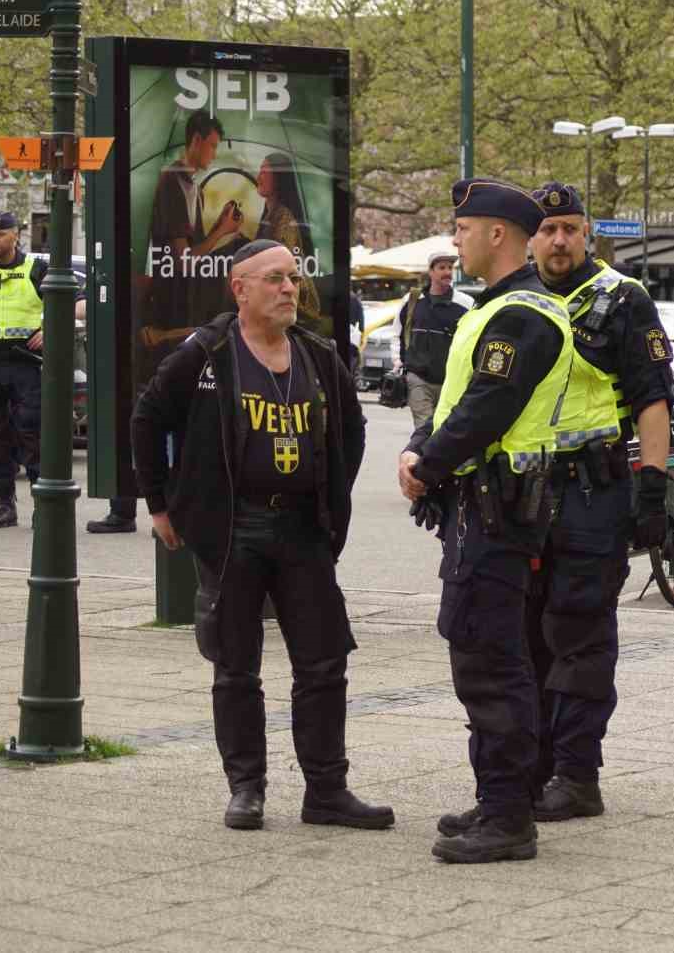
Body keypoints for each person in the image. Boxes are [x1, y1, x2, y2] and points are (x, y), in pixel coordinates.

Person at [131, 239, 391, 833]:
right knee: (236, 667)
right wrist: (161, 505)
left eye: (294, 278)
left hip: (302, 532)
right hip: (234, 531)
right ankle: (246, 789)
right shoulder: (207, 352)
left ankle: (327, 790)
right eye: (274, 279)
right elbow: (147, 419)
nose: (288, 290)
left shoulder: (318, 355)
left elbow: (350, 431)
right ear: (240, 289)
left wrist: (331, 502)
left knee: (324, 664)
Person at [397, 178, 573, 865]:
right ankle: (497, 797)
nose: (455, 240)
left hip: (496, 512)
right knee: (482, 653)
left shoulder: (521, 316)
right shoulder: (498, 308)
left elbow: (486, 409)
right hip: (484, 509)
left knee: (491, 663)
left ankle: (507, 815)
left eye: (463, 228)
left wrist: (425, 462)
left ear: (497, 233)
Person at [510, 181, 674, 824]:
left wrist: (653, 489)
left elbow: (652, 398)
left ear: (587, 235)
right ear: (531, 238)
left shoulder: (622, 298)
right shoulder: (513, 298)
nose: (559, 240)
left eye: (570, 229)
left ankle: (578, 775)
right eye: (549, 230)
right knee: (526, 636)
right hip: (520, 495)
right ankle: (535, 764)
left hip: (592, 491)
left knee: (579, 634)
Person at [142, 112, 244, 379]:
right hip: (174, 295)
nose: (213, 154)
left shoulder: (193, 187)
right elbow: (184, 259)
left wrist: (219, 229)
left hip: (188, 290)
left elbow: (195, 249)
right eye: (212, 146)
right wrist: (221, 231)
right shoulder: (173, 182)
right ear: (196, 140)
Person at [0, 210, 44, 528]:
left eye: (0, 234)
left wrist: (50, 326)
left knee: (32, 434)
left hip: (25, 364)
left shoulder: (36, 267)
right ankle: (5, 505)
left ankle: (43, 503)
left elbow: (76, 299)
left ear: (16, 234)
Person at [74, 291, 139, 533]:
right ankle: (122, 512)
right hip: (117, 367)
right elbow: (80, 307)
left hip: (145, 363)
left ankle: (165, 514)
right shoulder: (111, 279)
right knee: (122, 442)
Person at [395, 253, 468, 430]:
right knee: (424, 428)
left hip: (450, 382)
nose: (447, 272)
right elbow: (397, 332)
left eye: (450, 268)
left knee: (443, 431)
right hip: (418, 379)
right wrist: (398, 361)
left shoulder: (465, 303)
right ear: (431, 272)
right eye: (442, 268)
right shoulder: (412, 300)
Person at [256, 152, 324, 328]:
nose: (258, 177)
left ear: (279, 178)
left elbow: (280, 266)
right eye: (259, 171)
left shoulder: (284, 219)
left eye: (265, 172)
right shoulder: (271, 215)